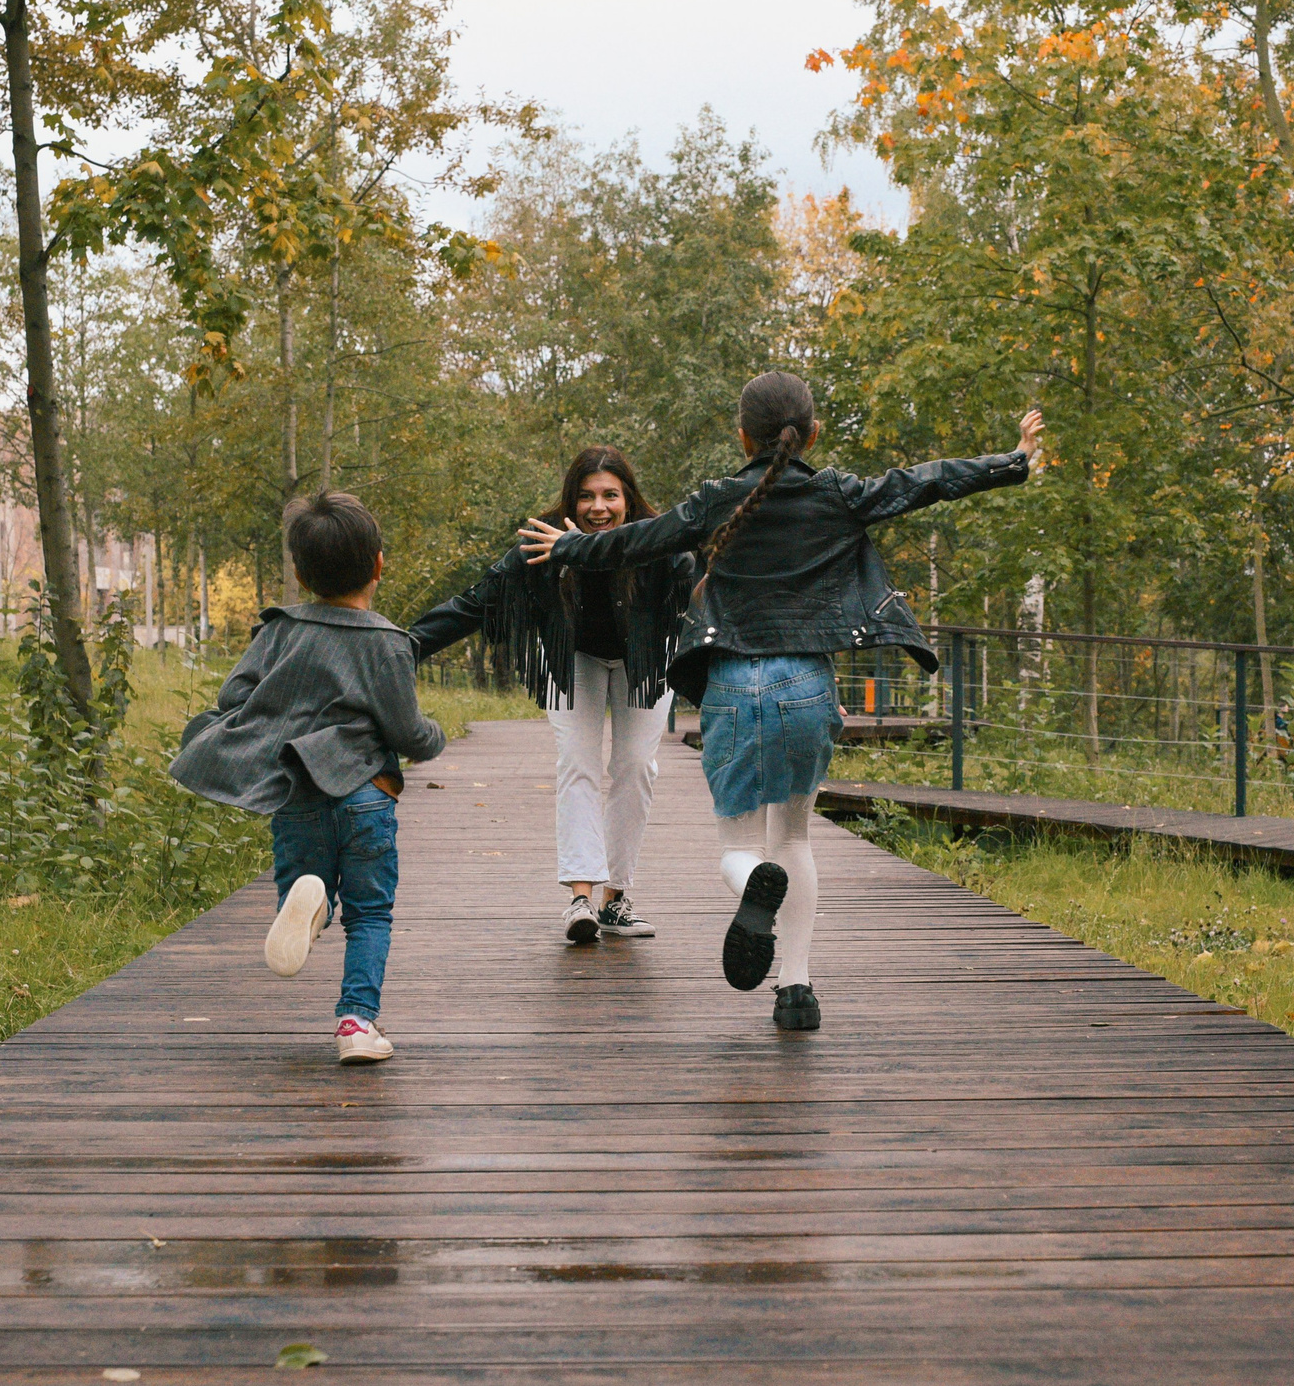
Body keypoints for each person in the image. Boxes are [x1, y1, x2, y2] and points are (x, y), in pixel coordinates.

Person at [520, 372, 1042, 1031]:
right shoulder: (837, 494)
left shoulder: (716, 500)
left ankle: (749, 892)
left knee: (739, 846)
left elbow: (638, 540)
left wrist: (572, 544)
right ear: (812, 434)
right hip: (808, 687)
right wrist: (1012, 463)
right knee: (793, 836)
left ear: (742, 436)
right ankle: (796, 989)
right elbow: (923, 482)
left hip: (735, 689)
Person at [168, 491, 446, 1065]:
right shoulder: (387, 642)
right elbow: (406, 731)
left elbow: (236, 698)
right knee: (369, 913)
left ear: (298, 571)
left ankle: (308, 904)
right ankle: (356, 1024)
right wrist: (434, 737)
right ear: (378, 564)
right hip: (366, 796)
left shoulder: (277, 632)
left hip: (297, 791)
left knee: (303, 884)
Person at [409, 446, 696, 944]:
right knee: (578, 763)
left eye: (610, 495)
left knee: (635, 766)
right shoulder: (541, 540)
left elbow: (709, 600)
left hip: (646, 658)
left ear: (628, 498)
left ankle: (617, 899)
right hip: (572, 656)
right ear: (571, 498)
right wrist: (400, 647)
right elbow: (478, 600)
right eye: (586, 496)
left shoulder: (660, 539)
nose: (598, 507)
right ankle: (581, 898)